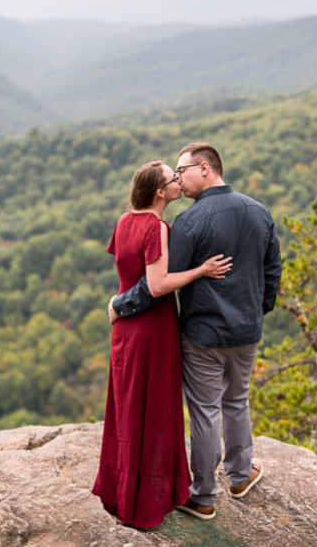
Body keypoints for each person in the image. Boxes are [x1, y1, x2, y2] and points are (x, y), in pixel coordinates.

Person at [92, 159, 232, 529]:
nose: (178, 182)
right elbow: (156, 285)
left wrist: (119, 304)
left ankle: (124, 492)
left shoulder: (125, 221)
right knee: (152, 409)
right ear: (160, 191)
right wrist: (201, 271)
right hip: (152, 328)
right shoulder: (156, 227)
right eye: (173, 178)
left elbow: (128, 274)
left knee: (128, 407)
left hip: (125, 328)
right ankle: (145, 501)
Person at [169, 143, 281, 520]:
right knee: (236, 400)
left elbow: (171, 279)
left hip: (204, 332)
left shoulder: (190, 221)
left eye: (181, 170)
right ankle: (239, 475)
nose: (177, 179)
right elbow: (272, 272)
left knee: (204, 412)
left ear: (204, 168)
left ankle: (202, 496)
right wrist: (255, 312)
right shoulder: (258, 210)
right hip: (247, 331)